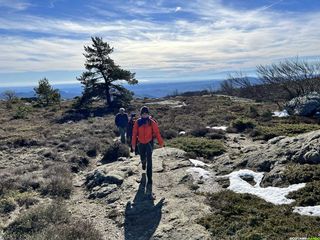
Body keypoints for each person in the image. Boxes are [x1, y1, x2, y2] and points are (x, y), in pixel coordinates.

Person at [132, 106, 164, 184]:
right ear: (141, 114)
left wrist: (161, 143)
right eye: (143, 114)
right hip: (140, 143)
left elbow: (157, 132)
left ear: (148, 114)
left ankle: (149, 178)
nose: (145, 115)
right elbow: (134, 133)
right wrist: (133, 144)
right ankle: (143, 163)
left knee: (150, 160)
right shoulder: (138, 122)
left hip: (149, 143)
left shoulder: (151, 122)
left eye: (146, 113)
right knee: (142, 157)